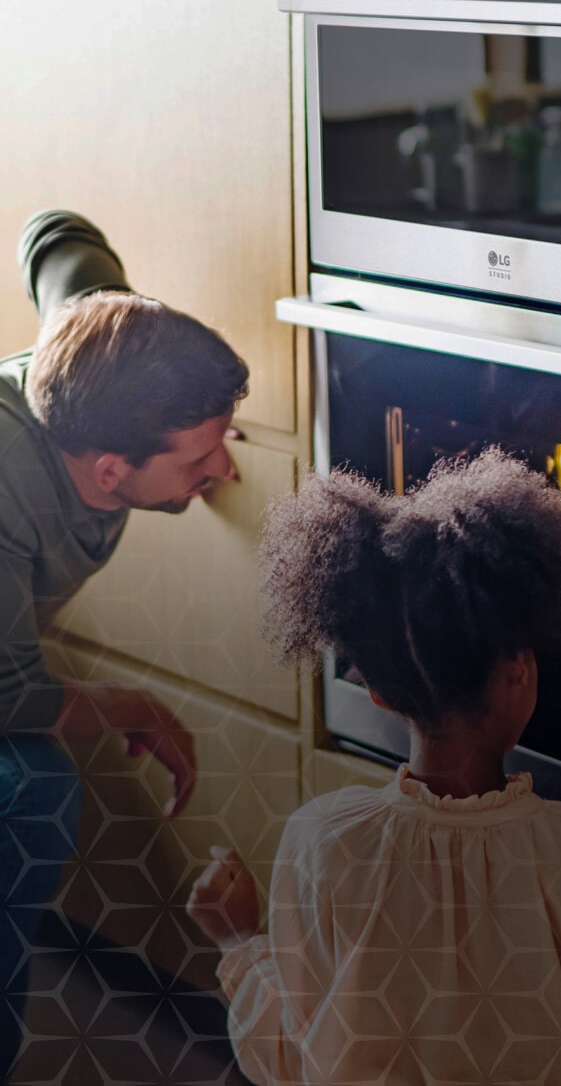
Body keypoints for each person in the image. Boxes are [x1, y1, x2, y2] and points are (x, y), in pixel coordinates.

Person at [188, 449, 561, 1086]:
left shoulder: (322, 840)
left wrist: (238, 942)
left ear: (377, 690)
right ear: (520, 669)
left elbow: (292, 1057)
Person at [1, 210, 249, 1074]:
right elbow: (4, 695)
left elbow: (55, 231)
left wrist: (175, 395)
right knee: (30, 787)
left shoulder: (95, 345)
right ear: (110, 472)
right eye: (199, 459)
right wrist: (131, 705)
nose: (221, 470)